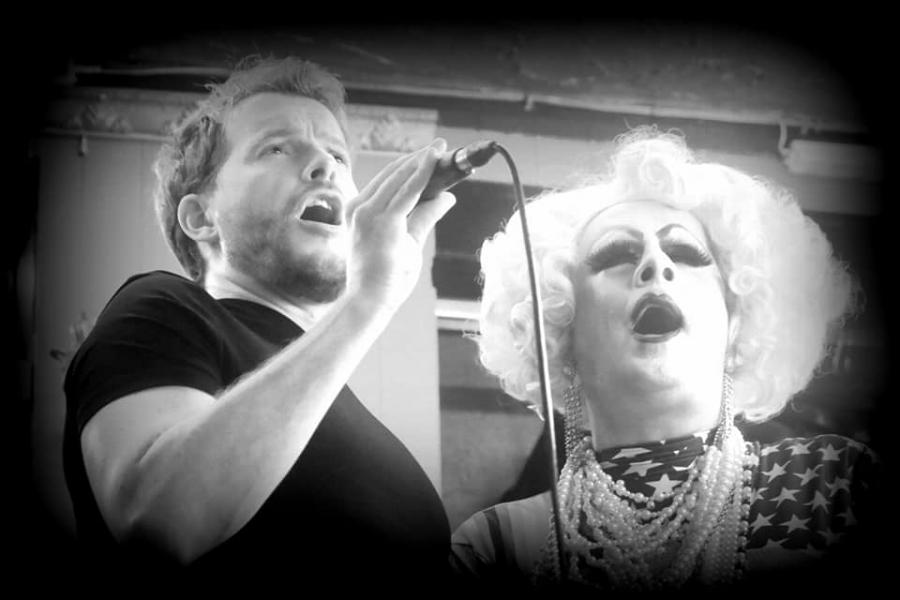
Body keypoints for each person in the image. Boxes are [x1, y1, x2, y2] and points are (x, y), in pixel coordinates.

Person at [62, 56, 457, 592]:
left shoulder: (340, 403)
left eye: (338, 155)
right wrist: (368, 301)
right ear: (201, 217)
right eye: (276, 148)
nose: (324, 166)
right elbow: (158, 522)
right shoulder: (158, 307)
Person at [450, 128, 883, 594]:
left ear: (737, 322)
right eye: (617, 254)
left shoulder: (833, 488)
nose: (657, 265)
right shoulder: (498, 546)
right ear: (560, 329)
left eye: (685, 252)